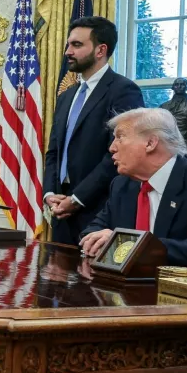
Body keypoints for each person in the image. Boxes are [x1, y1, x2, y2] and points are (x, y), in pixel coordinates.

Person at [78, 108, 187, 269]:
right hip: (125, 287)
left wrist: (133, 246)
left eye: (120, 137)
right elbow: (93, 230)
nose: (112, 148)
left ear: (150, 143)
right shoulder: (122, 184)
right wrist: (101, 239)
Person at [43, 16, 144, 245]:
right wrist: (50, 194)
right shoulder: (67, 96)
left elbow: (118, 155)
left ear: (101, 50)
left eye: (77, 45)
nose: (68, 51)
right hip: (60, 211)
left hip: (98, 212)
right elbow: (53, 152)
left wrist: (77, 199)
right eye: (68, 44)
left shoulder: (123, 90)